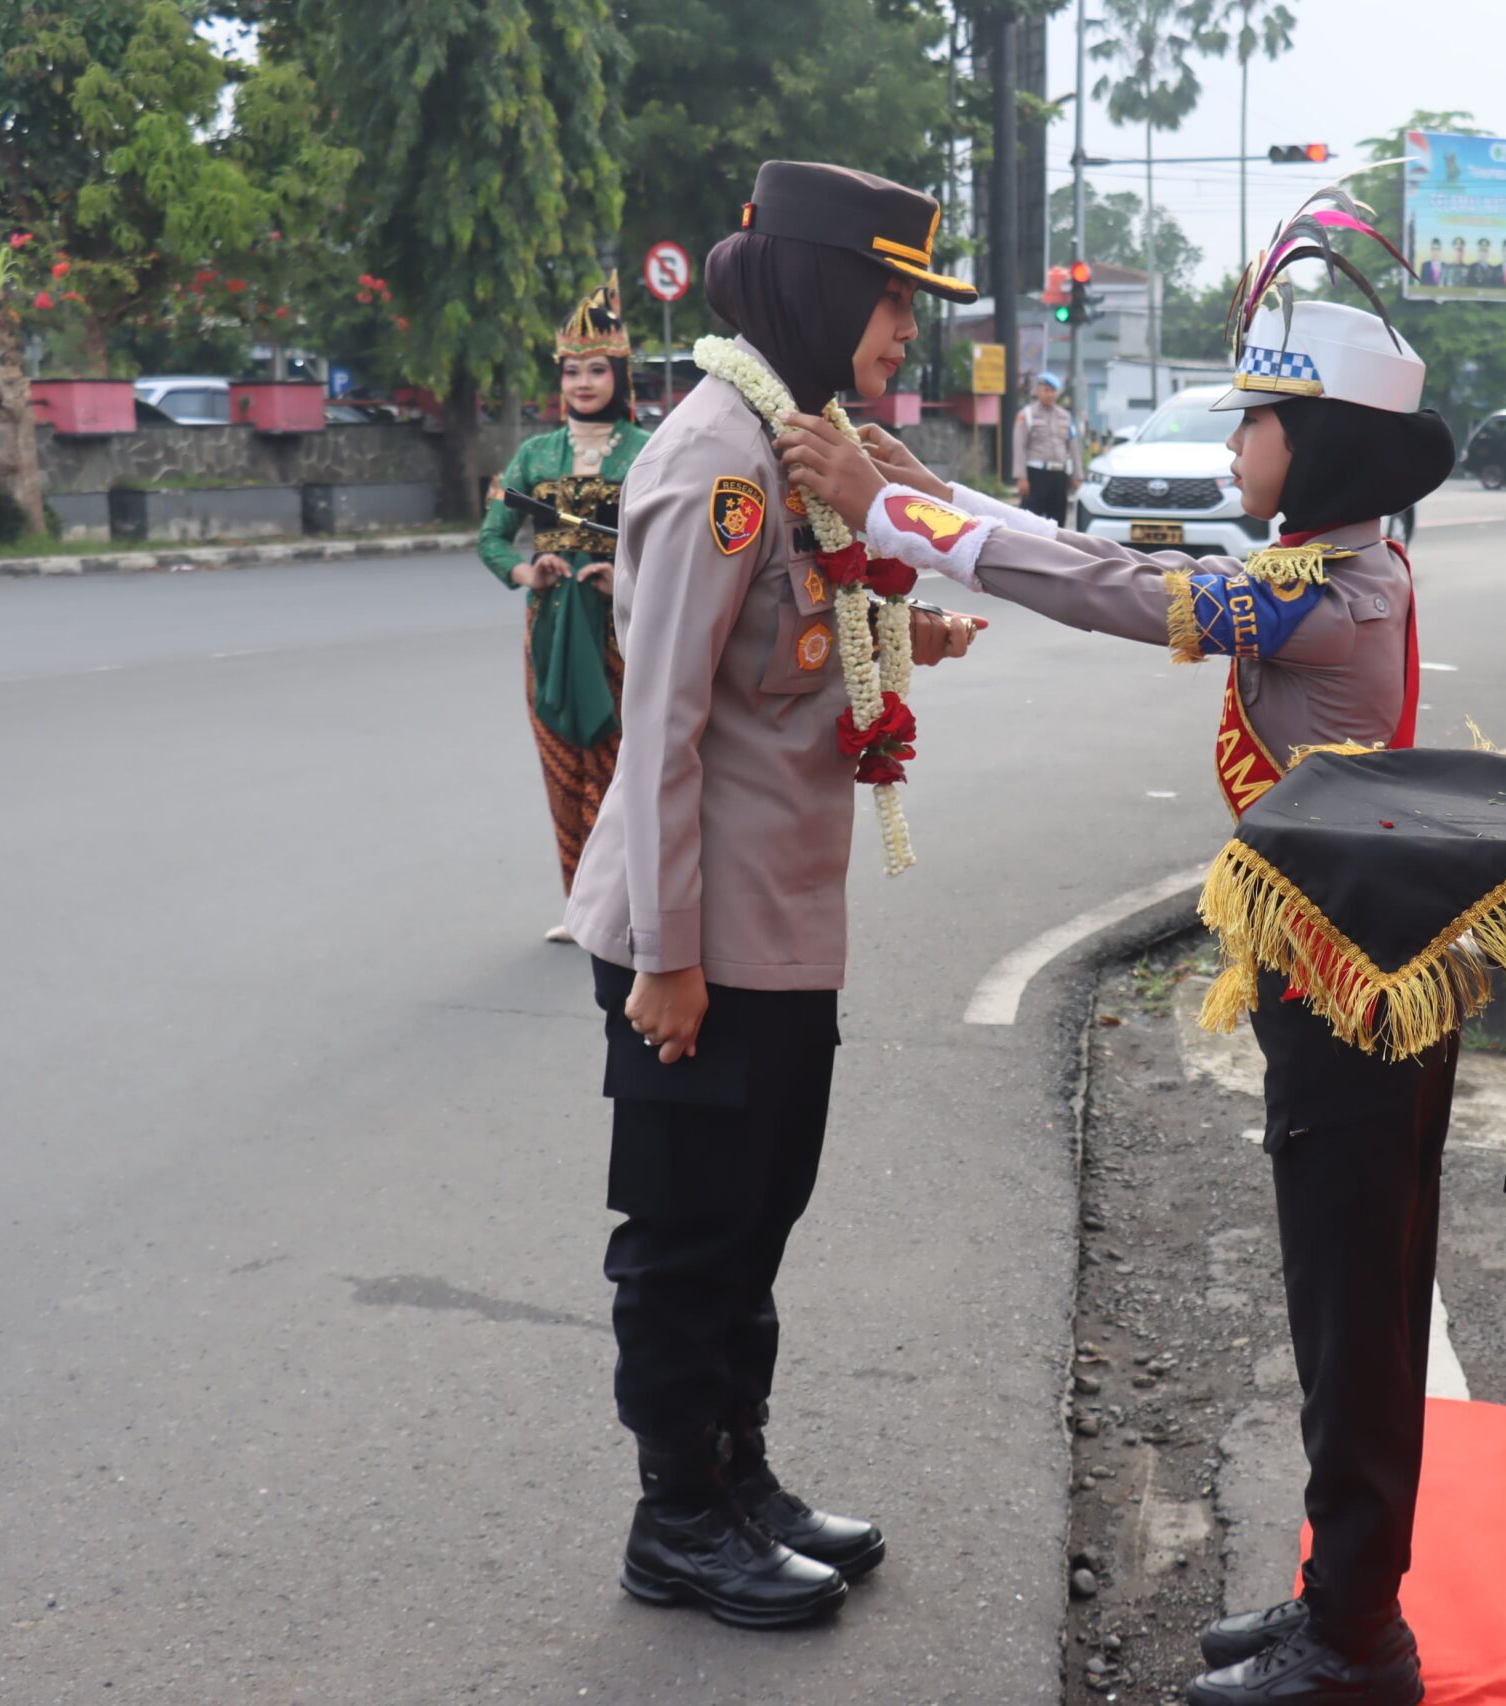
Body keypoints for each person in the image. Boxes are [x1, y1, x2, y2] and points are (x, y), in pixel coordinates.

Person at [783, 204, 1457, 1706]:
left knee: (1353, 1312)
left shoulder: (1324, 589)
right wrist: (937, 490)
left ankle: (1358, 1638)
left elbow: (1125, 595)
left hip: (1352, 993)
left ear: (1324, 443)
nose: (1233, 454)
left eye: (1259, 425)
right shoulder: (1338, 565)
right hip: (1331, 973)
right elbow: (1101, 553)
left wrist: (904, 519)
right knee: (1333, 1300)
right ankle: (1333, 1599)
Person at [561, 159, 985, 1631]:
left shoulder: (797, 439)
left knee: (757, 1223)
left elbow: (782, 652)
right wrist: (665, 959)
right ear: (811, 283)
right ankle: (676, 1514)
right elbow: (667, 716)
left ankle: (740, 1478)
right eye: (885, 297)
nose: (898, 332)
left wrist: (902, 640)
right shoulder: (716, 465)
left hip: (783, 928)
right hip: (703, 940)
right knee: (686, 1238)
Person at [477, 276, 653, 937]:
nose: (583, 382)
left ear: (620, 374)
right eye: (572, 370)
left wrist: (624, 577)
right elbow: (491, 539)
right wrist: (530, 570)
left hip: (621, 628)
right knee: (560, 763)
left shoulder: (647, 453)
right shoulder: (533, 456)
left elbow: (670, 541)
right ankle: (578, 905)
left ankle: (624, 904)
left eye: (596, 369)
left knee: (617, 764)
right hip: (550, 628)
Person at [1014, 370, 1082, 525]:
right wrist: (1021, 477)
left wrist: (1077, 476)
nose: (1050, 394)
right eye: (1046, 390)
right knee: (1030, 522)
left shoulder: (1065, 416)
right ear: (1038, 391)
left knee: (1058, 522)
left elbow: (1073, 447)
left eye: (1053, 391)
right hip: (1036, 474)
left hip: (1059, 474)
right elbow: (1020, 446)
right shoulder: (1027, 415)